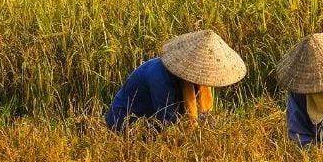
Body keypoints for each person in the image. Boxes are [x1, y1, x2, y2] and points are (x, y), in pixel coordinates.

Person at [105, 30, 246, 131]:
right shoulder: (160, 78)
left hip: (151, 122)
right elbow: (168, 123)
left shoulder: (195, 80)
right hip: (125, 124)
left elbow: (203, 115)